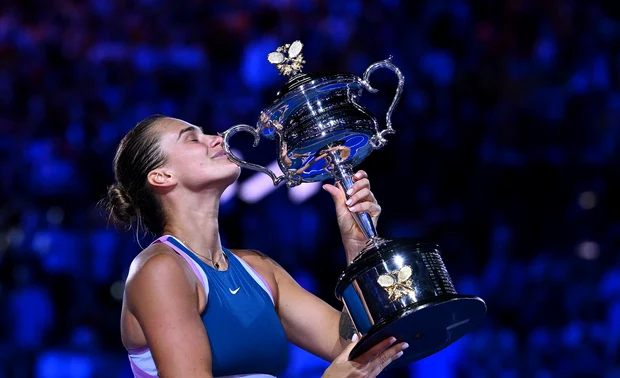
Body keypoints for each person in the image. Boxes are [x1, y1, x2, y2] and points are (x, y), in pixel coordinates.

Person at [102, 115, 409, 378]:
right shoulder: (159, 271)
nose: (217, 138)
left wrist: (357, 245)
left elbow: (354, 345)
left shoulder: (260, 269)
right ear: (162, 176)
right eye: (192, 138)